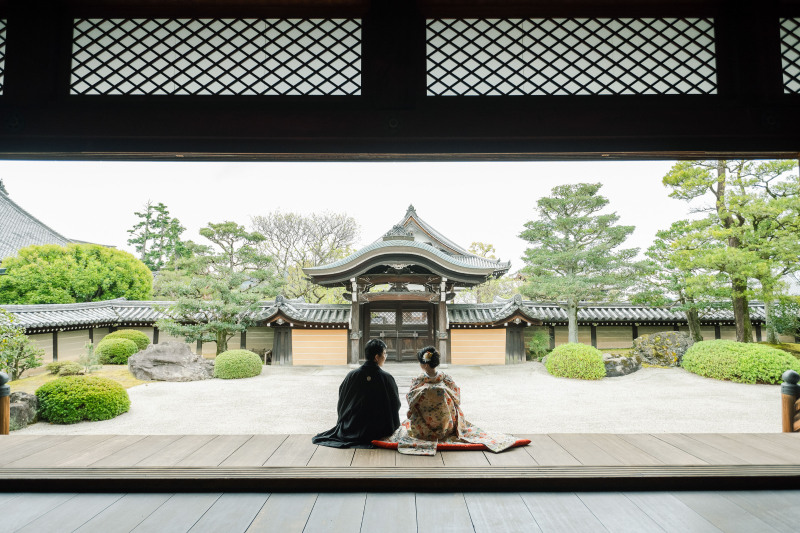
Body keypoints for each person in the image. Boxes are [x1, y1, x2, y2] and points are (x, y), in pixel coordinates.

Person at [386, 346, 518, 455]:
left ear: (424, 364)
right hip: (446, 426)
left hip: (422, 429)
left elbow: (410, 401)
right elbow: (457, 398)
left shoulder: (418, 381)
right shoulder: (446, 379)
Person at [312, 338, 401, 448]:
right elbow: (395, 404)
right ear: (376, 357)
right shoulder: (387, 378)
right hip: (378, 431)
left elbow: (342, 401)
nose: (385, 357)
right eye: (384, 354)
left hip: (351, 427)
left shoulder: (352, 375)